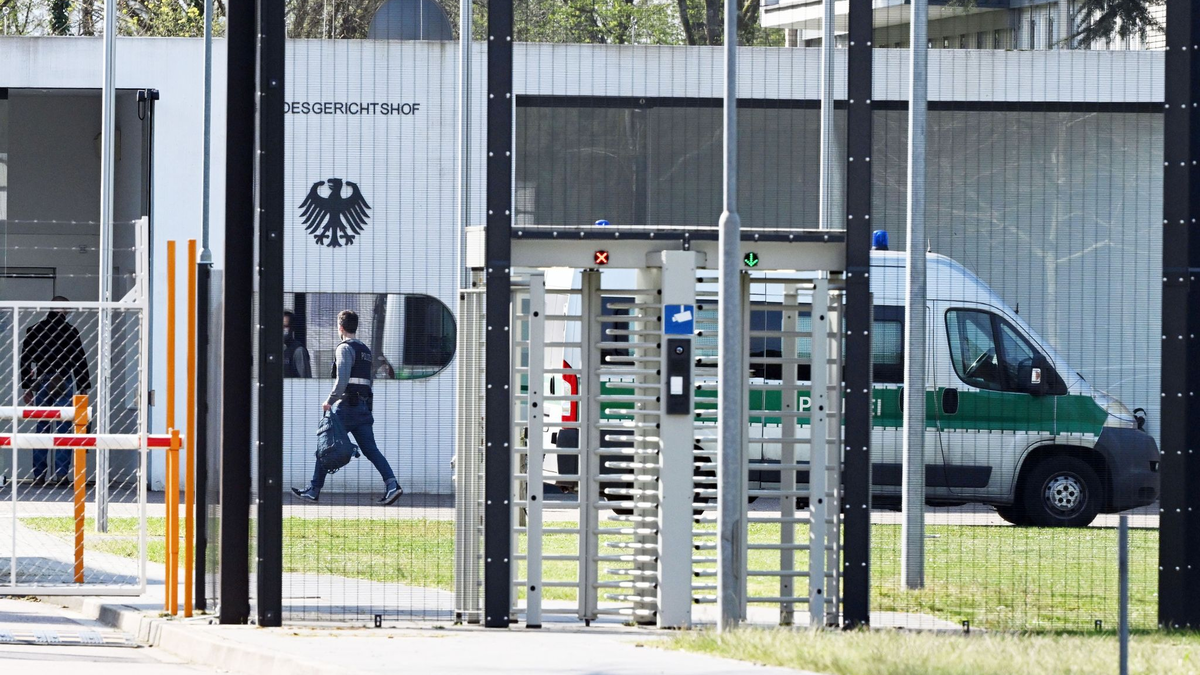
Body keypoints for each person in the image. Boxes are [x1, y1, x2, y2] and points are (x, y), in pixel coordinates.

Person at [291, 310, 402, 505]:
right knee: (371, 449)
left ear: (340, 327)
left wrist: (329, 401)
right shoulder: (365, 350)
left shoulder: (344, 348)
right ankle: (392, 485)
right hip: (362, 407)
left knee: (326, 446)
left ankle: (313, 490)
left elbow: (342, 380)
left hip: (346, 407)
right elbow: (368, 381)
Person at [20, 297, 92, 487]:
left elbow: (26, 360)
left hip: (42, 378)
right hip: (64, 379)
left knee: (42, 426)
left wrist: (27, 386)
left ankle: (39, 475)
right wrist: (83, 385)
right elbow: (79, 360)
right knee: (64, 427)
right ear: (64, 309)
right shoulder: (70, 331)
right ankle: (61, 474)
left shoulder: (34, 330)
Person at [283, 310, 312, 378]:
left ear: (292, 328)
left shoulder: (298, 351)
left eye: (285, 326)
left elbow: (305, 380)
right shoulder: (272, 349)